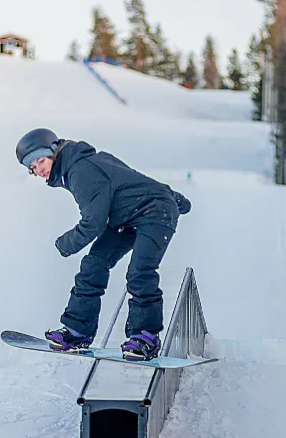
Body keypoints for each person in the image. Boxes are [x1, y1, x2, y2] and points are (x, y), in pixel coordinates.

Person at [14, 128, 191, 361]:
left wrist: (65, 244)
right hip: (125, 218)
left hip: (155, 212)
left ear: (54, 151)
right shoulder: (79, 165)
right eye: (33, 168)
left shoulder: (80, 170)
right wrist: (178, 198)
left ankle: (145, 337)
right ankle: (78, 331)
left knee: (140, 272)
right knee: (93, 264)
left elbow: (93, 223)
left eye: (40, 160)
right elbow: (130, 176)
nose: (39, 170)